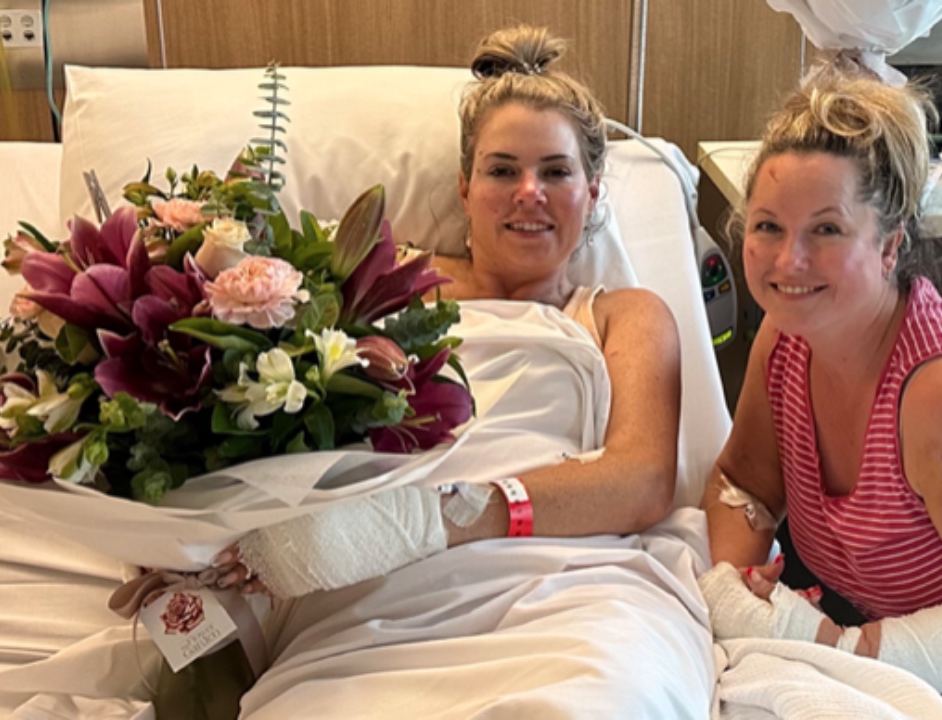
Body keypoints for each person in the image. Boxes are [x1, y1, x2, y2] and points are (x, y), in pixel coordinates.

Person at [203, 26, 715, 720]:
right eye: (502, 171)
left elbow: (641, 481)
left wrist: (438, 517)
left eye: (556, 172)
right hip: (376, 600)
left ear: (592, 194)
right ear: (465, 189)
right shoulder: (379, 285)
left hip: (569, 590)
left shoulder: (624, 315)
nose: (529, 192)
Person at [697, 64, 942, 719]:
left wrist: (827, 644)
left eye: (826, 229)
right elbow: (744, 486)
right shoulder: (785, 340)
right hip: (891, 672)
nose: (788, 261)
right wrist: (733, 590)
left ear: (889, 245)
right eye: (768, 226)